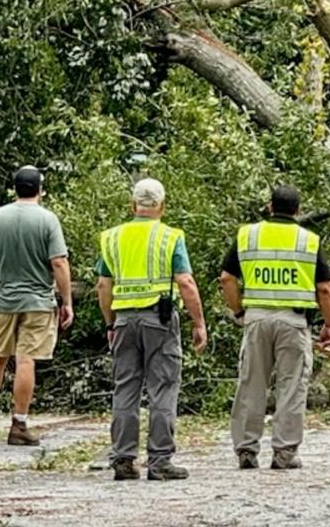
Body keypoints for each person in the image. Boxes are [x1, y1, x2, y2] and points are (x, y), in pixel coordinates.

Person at [97, 178, 209, 481]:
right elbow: (185, 282)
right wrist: (199, 323)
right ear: (161, 206)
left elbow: (103, 285)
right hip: (159, 322)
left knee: (125, 388)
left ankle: (123, 458)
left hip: (123, 321)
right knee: (162, 388)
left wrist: (110, 322)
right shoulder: (170, 237)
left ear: (133, 205)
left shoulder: (113, 237)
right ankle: (159, 461)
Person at [221, 185, 330, 470]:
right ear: (298, 211)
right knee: (292, 386)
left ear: (269, 207)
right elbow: (324, 288)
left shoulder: (248, 235)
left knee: (251, 384)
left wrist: (239, 311)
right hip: (293, 321)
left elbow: (227, 278)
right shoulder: (308, 240)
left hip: (257, 318)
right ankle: (284, 453)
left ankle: (247, 450)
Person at [0, 165, 74, 446]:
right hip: (38, 302)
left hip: (2, 300)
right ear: (40, 189)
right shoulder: (48, 220)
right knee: (26, 359)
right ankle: (19, 424)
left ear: (15, 188)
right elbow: (59, 262)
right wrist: (66, 301)